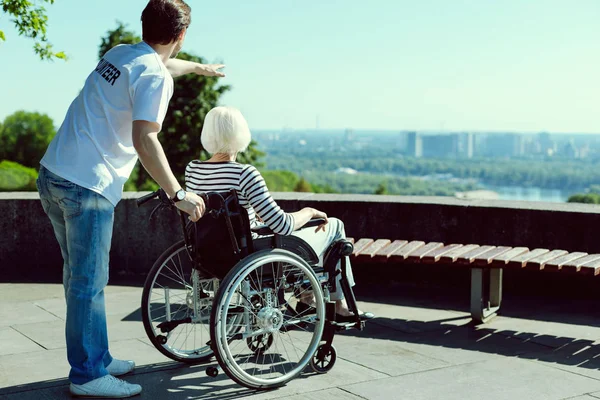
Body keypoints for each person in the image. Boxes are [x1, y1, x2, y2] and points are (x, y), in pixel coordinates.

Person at [36, 0, 224, 397]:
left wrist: (197, 68)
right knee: (88, 282)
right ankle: (87, 375)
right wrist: (178, 193)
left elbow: (162, 64)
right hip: (87, 186)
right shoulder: (154, 75)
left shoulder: (121, 55)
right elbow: (145, 138)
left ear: (145, 26)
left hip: (53, 173)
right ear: (181, 35)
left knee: (79, 279)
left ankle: (97, 358)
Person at [185, 106, 375, 321]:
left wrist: (249, 215)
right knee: (334, 226)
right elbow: (282, 225)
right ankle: (336, 304)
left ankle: (307, 297)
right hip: (250, 253)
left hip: (209, 252)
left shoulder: (193, 170)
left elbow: (216, 213)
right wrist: (308, 211)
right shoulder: (245, 173)